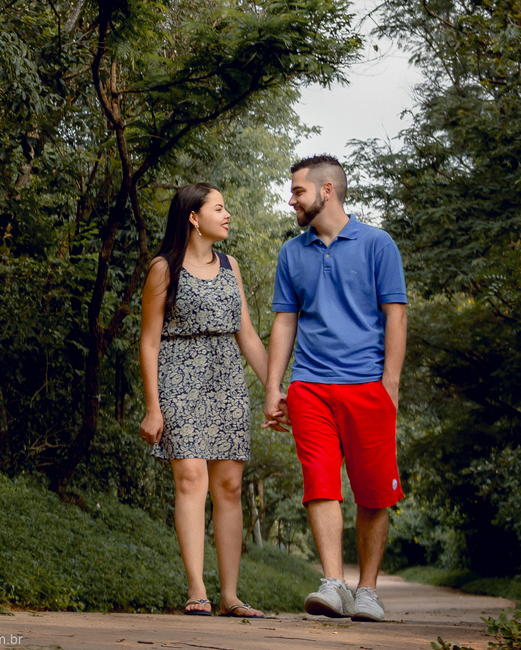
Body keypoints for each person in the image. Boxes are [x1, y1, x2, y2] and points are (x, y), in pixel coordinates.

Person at [263, 154, 408, 623]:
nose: (292, 200)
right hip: (310, 387)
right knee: (320, 483)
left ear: (326, 191)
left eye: (298, 191)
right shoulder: (292, 253)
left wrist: (390, 384)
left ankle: (367, 590)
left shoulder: (378, 244)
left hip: (368, 387)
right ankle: (332, 583)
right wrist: (274, 385)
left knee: (373, 492)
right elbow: (285, 321)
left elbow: (396, 316)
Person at [140, 183, 269, 618]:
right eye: (219, 208)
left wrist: (274, 389)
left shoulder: (231, 265)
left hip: (227, 380)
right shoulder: (164, 268)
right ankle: (197, 590)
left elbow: (247, 335)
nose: (227, 214)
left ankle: (230, 596)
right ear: (194, 217)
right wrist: (153, 406)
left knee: (229, 487)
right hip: (179, 375)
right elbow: (149, 341)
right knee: (191, 479)